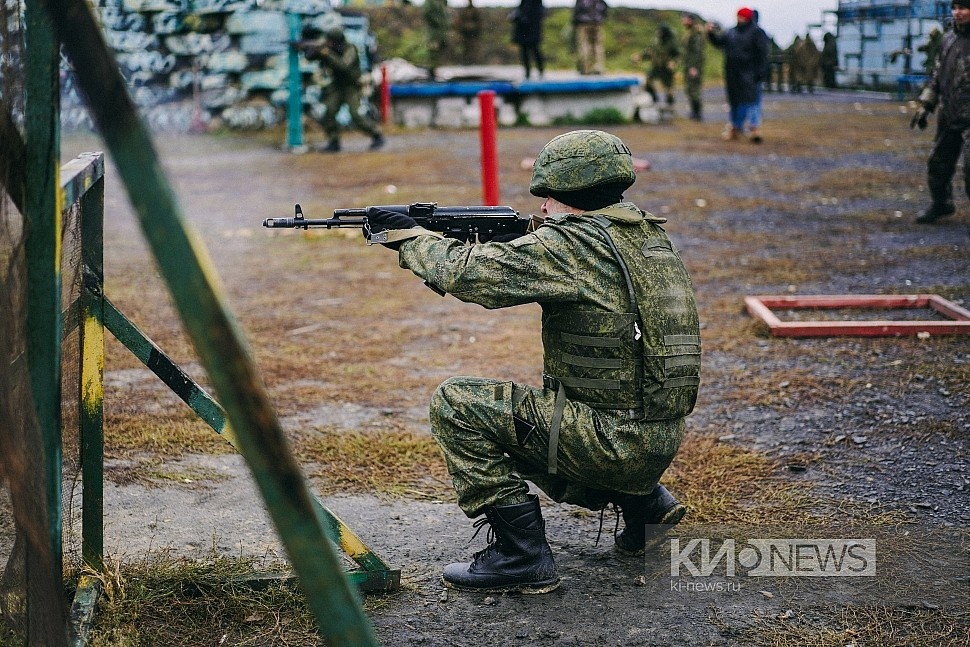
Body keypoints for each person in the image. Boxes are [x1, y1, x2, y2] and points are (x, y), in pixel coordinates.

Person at [362, 130, 699, 594]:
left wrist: (409, 238)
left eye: (548, 198)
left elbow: (471, 275)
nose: (541, 208)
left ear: (568, 196)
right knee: (567, 405)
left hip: (612, 444)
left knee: (458, 403)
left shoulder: (571, 247)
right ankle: (645, 509)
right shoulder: (647, 235)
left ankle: (521, 557)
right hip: (657, 438)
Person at [910, 0, 970, 224]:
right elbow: (937, 75)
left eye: (963, 7)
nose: (958, 13)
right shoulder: (948, 39)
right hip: (949, 113)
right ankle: (941, 203)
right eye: (954, 7)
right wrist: (926, 105)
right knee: (938, 163)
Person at [301, 26, 384, 153]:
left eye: (331, 41)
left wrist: (327, 53)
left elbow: (343, 66)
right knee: (329, 112)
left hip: (351, 86)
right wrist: (311, 49)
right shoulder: (329, 48)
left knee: (356, 115)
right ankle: (333, 142)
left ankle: (376, 135)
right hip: (337, 86)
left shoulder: (350, 49)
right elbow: (310, 57)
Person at [707, 7, 769, 143]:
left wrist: (761, 72)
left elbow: (762, 53)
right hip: (733, 74)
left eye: (741, 17)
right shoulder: (731, 32)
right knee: (735, 102)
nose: (739, 19)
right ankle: (735, 127)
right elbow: (719, 42)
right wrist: (711, 34)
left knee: (752, 102)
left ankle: (754, 129)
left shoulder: (757, 33)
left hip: (751, 74)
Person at [640, 23, 680, 107]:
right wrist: (640, 56)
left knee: (668, 87)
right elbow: (649, 51)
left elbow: (678, 54)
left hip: (667, 67)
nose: (658, 33)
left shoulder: (672, 42)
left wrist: (673, 62)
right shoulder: (655, 41)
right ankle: (654, 99)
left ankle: (670, 103)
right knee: (648, 82)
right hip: (656, 66)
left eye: (660, 31)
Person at [511, 0, 546, 80]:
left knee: (535, 50)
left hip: (532, 29)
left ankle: (540, 71)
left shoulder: (536, 3)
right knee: (525, 52)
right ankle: (528, 72)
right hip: (524, 30)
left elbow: (539, 12)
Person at [573, 0, 608, 75]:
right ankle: (599, 67)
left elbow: (577, 9)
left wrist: (575, 22)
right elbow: (604, 6)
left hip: (583, 22)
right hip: (597, 22)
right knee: (598, 45)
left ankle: (586, 68)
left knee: (584, 45)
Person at [681, 13, 706, 120]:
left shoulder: (696, 34)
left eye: (684, 19)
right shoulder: (691, 32)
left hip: (693, 66)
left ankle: (697, 113)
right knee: (690, 89)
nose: (683, 22)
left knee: (694, 89)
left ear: (691, 20)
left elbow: (697, 52)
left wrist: (694, 67)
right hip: (689, 65)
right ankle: (694, 112)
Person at [422, 0, 450, 80]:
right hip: (433, 33)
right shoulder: (429, 2)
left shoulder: (441, 3)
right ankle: (431, 72)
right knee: (433, 52)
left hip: (441, 33)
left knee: (439, 52)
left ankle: (435, 70)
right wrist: (439, 22)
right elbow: (427, 14)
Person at [456, 0, 483, 66]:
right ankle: (465, 62)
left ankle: (473, 62)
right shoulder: (464, 10)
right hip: (465, 32)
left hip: (473, 32)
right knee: (465, 47)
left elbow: (479, 21)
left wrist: (473, 26)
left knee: (473, 47)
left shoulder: (475, 10)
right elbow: (460, 20)